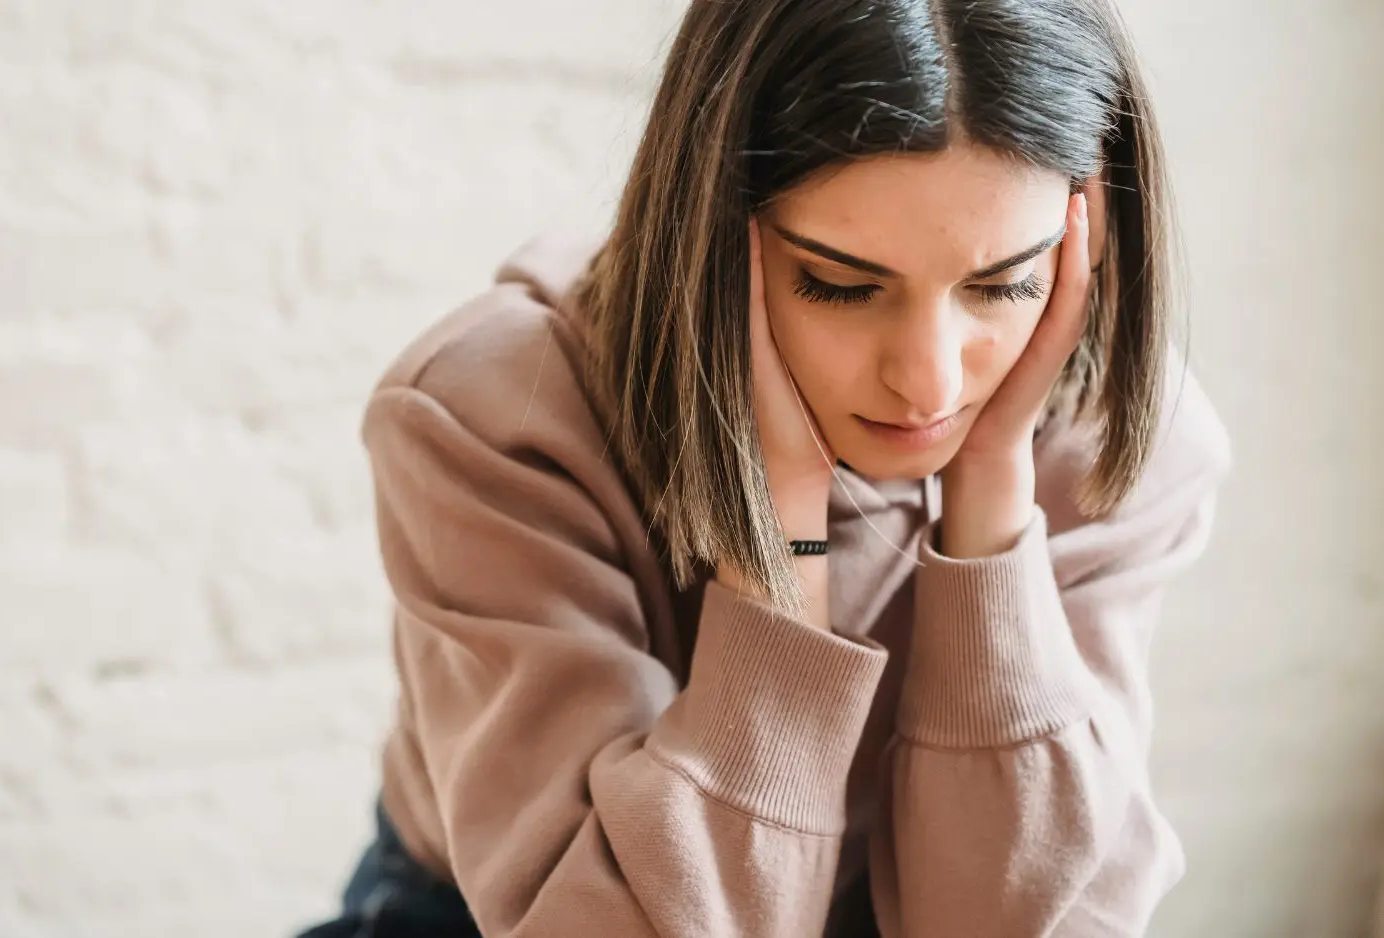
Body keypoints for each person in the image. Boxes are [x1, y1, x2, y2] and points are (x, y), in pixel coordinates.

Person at [298, 0, 1231, 935]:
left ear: (1090, 237)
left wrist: (991, 507)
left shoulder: (1121, 440)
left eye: (1002, 284)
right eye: (841, 284)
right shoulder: (494, 422)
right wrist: (774, 530)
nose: (929, 382)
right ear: (710, 229)